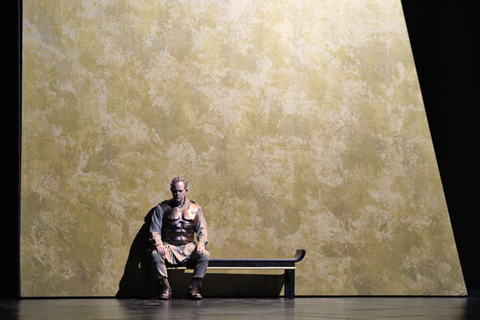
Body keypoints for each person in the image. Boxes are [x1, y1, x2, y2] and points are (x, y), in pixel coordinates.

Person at [149, 177, 210, 300]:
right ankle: (166, 288)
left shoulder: (196, 208)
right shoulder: (162, 208)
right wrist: (159, 244)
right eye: (175, 191)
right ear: (171, 190)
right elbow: (154, 230)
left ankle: (193, 288)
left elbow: (202, 229)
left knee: (205, 255)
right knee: (155, 254)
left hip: (189, 247)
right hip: (169, 247)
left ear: (186, 190)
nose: (177, 193)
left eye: (180, 191)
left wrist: (201, 244)